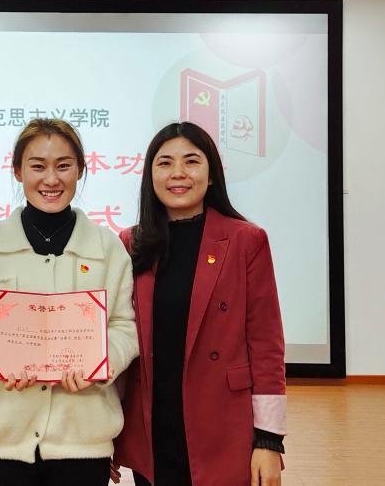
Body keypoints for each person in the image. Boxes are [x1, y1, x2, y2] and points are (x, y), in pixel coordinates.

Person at [0, 118, 139, 486]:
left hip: (82, 440)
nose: (51, 179)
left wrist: (99, 362)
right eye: (37, 166)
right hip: (2, 440)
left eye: (63, 166)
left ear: (80, 169)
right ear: (18, 171)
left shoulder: (107, 248)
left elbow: (125, 326)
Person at [112, 122, 286, 486]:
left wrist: (269, 440)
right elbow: (117, 341)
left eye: (191, 161)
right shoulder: (130, 243)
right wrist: (106, 435)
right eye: (165, 163)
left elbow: (266, 345)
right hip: (151, 427)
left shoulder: (246, 241)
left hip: (222, 425)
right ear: (150, 176)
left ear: (211, 175)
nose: (178, 173)